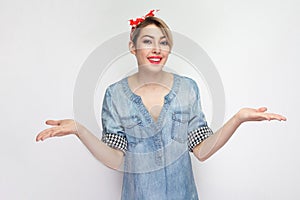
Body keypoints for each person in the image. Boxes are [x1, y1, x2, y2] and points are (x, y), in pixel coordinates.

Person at [36, 10, 286, 200]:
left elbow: (202, 151)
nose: (156, 48)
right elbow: (114, 160)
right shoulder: (115, 95)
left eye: (163, 42)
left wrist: (237, 119)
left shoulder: (188, 89)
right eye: (147, 41)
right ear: (132, 47)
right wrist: (80, 130)